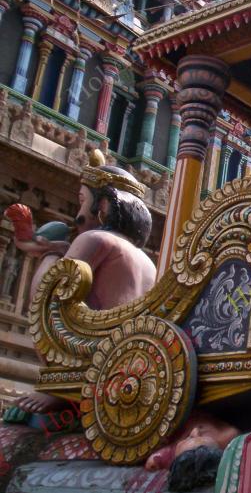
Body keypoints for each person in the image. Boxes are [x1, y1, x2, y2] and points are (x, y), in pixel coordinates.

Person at [3, 150, 156, 416]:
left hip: (84, 361)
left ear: (104, 207)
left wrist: (50, 254)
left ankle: (61, 386)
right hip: (124, 362)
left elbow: (45, 297)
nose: (78, 214)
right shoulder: (148, 263)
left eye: (82, 201)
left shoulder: (95, 240)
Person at [144, 410, 240, 492]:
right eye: (203, 437)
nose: (195, 431)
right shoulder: (229, 436)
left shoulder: (163, 457)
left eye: (188, 437)